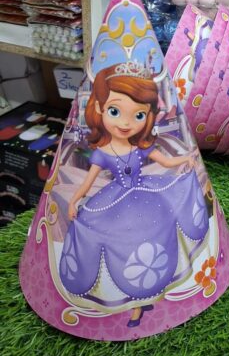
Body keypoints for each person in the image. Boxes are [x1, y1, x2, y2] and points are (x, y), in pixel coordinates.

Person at [59, 61, 209, 328]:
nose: (126, 123)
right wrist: (74, 200)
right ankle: (137, 305)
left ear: (148, 116)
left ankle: (149, 294)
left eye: (138, 115)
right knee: (124, 246)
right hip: (116, 203)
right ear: (99, 109)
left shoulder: (140, 147)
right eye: (115, 111)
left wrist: (186, 158)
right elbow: (87, 183)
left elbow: (166, 162)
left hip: (147, 196)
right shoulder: (102, 154)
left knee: (156, 237)